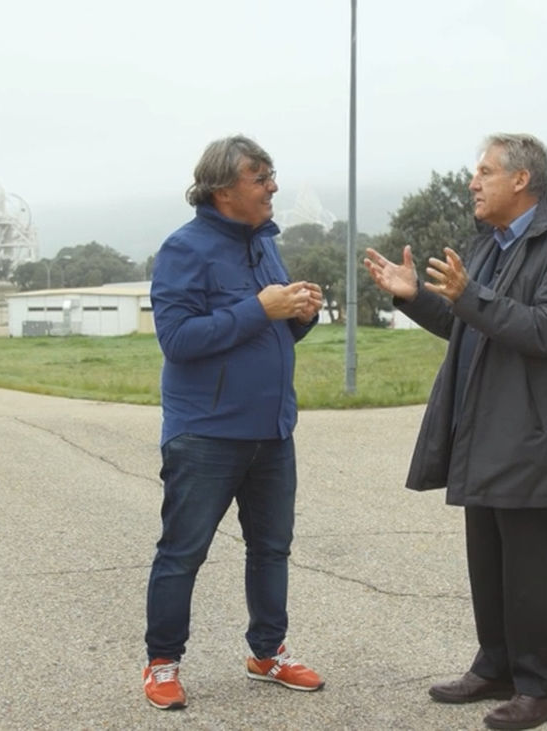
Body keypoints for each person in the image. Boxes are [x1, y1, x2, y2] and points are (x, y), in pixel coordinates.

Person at [363, 133, 547, 730]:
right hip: (484, 426)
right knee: (487, 559)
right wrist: (416, 296)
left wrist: (474, 296)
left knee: (525, 564)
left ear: (521, 180)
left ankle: (542, 688)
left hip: (530, 432)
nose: (473, 182)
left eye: (485, 172)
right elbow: (471, 323)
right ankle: (496, 665)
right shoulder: (492, 245)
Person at [144, 135, 326, 711]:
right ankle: (162, 663)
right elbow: (177, 340)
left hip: (273, 430)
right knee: (183, 551)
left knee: (272, 548)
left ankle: (267, 654)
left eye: (273, 173)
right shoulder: (184, 249)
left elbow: (267, 330)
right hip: (206, 433)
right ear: (224, 189)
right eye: (260, 176)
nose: (273, 185)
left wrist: (298, 317)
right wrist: (260, 308)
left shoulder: (266, 244)